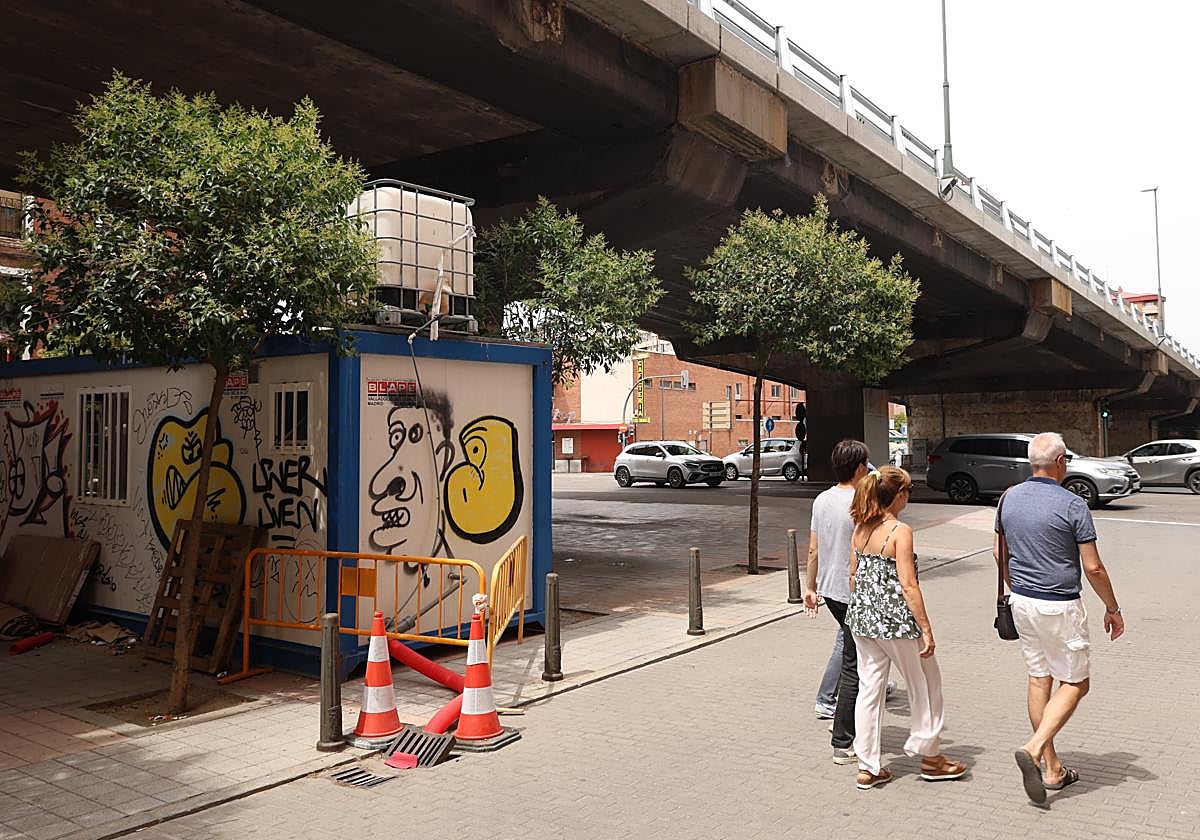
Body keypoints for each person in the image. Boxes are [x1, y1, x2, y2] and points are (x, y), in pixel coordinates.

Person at [995, 432, 1125, 804]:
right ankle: (1035, 749)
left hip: (1021, 601)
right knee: (1076, 683)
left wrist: (1015, 585)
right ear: (1061, 461)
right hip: (1061, 606)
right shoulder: (1072, 504)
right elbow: (1094, 567)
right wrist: (1112, 608)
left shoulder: (1008, 499)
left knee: (1040, 680)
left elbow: (998, 553)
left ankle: (1052, 770)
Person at [847, 465, 966, 790]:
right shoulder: (899, 531)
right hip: (896, 622)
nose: (909, 497)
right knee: (926, 684)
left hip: (862, 620)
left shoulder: (859, 527)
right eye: (908, 491)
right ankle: (931, 757)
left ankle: (867, 766)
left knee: (870, 691)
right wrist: (926, 628)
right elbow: (909, 585)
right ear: (897, 496)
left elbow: (853, 574)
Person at [803, 439, 870, 763]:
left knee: (851, 648)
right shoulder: (861, 500)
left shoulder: (822, 499)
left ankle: (849, 719)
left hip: (830, 590)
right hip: (853, 590)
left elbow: (814, 548)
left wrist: (809, 587)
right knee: (853, 666)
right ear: (859, 467)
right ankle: (843, 741)